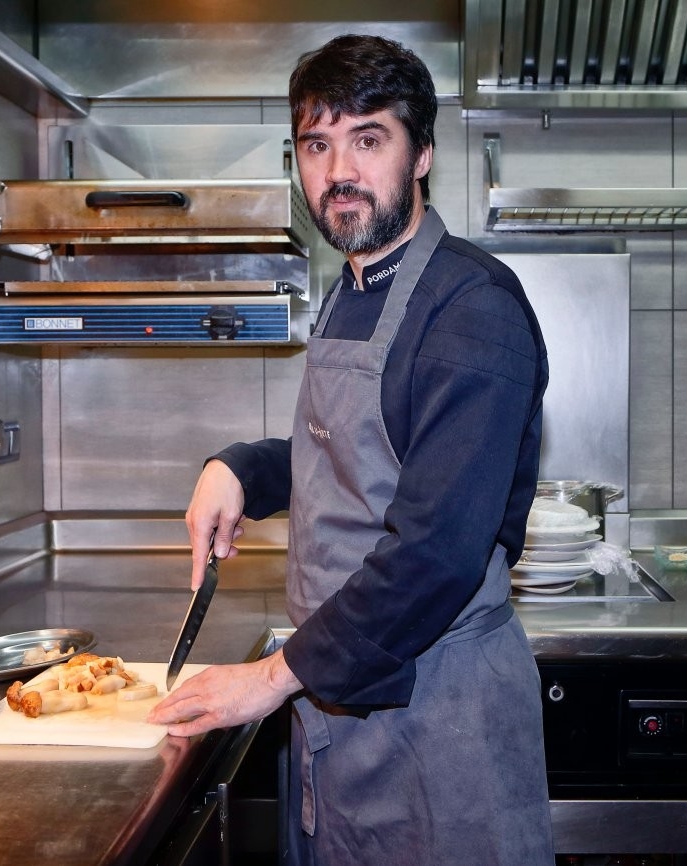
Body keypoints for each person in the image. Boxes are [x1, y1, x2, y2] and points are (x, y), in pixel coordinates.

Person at [147, 34, 555, 865]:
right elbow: (351, 456)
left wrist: (266, 681)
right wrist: (240, 468)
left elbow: (434, 553)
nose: (339, 170)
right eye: (316, 144)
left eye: (368, 139)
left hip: (438, 719)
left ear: (423, 155)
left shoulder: (473, 311)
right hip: (339, 704)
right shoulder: (353, 287)